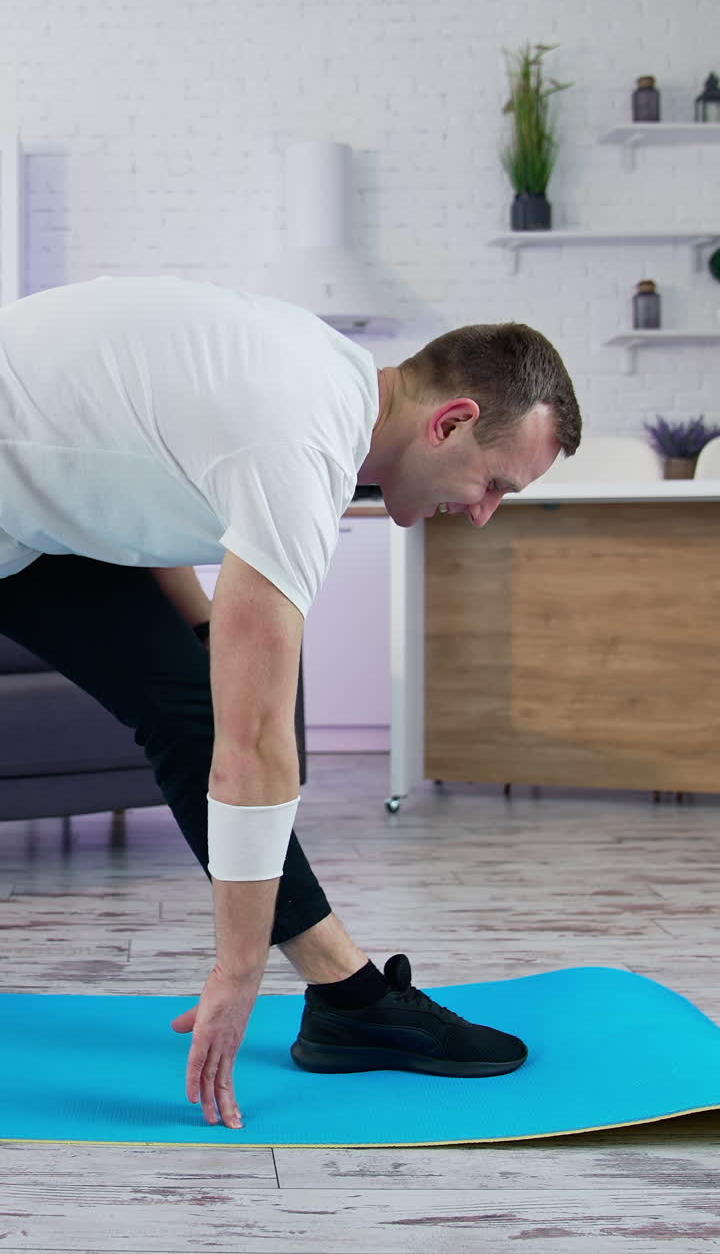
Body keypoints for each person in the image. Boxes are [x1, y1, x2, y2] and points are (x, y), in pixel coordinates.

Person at [0, 274, 581, 1131]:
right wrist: (237, 974)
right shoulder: (302, 445)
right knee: (230, 728)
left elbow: (133, 479)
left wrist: (202, 632)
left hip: (36, 503)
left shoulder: (319, 377)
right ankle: (344, 996)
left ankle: (349, 1000)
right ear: (451, 421)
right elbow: (255, 748)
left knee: (190, 708)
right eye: (496, 482)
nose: (485, 513)